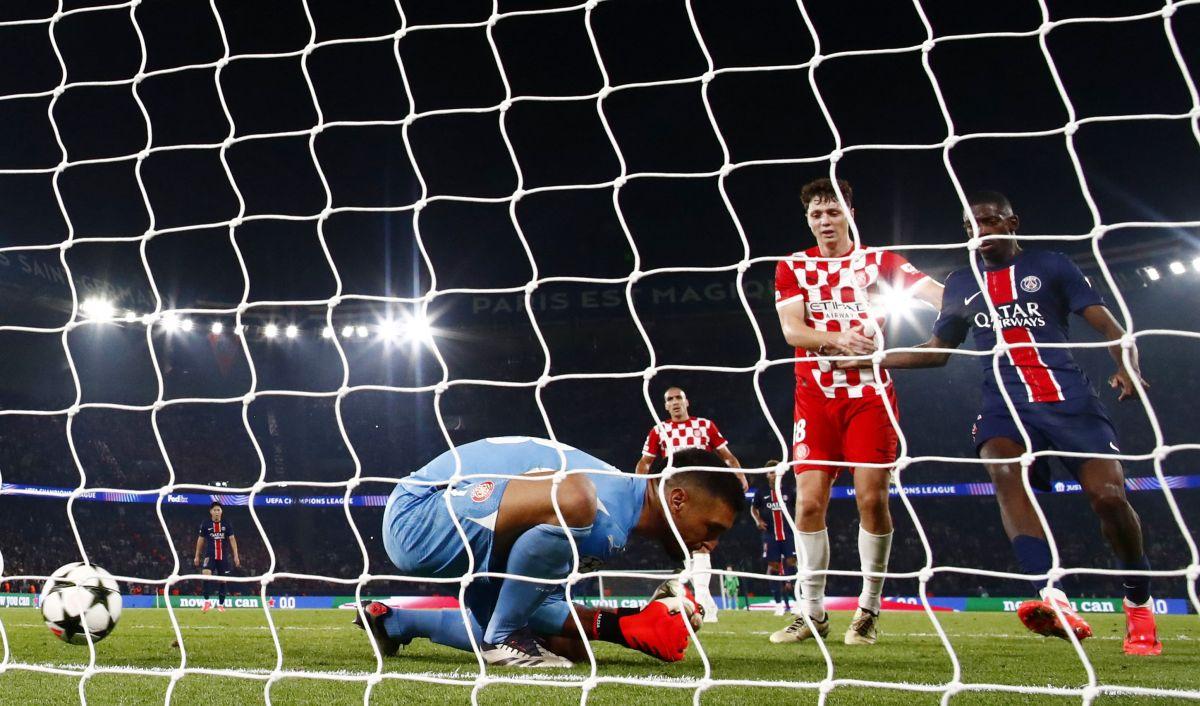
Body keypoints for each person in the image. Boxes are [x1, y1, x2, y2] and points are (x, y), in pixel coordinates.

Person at [842, 191, 1161, 655]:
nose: (981, 232)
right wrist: (875, 359)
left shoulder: (1051, 266)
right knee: (1004, 472)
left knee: (1110, 500)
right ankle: (1052, 597)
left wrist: (1124, 364)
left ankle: (1139, 605)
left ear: (1013, 223)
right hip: (1003, 405)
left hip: (1069, 400)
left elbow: (1110, 327)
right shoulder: (961, 283)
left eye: (990, 222)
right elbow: (937, 351)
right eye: (972, 227)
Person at [356, 437, 744, 668]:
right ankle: (502, 639)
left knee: (566, 648)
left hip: (463, 528)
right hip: (419, 516)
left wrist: (630, 623)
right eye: (712, 529)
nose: (710, 544)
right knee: (574, 497)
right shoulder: (599, 504)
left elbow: (538, 606)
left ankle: (392, 622)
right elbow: (573, 500)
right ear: (677, 499)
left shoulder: (616, 513)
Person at [772, 177, 943, 646]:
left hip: (870, 398)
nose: (824, 221)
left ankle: (868, 609)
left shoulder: (880, 261)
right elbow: (792, 331)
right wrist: (835, 339)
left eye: (832, 212)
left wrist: (955, 328)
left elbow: (940, 296)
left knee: (872, 499)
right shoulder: (792, 266)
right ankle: (812, 614)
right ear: (808, 219)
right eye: (816, 215)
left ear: (849, 212)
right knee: (807, 503)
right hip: (814, 398)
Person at [636, 387, 746, 623]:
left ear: (687, 401)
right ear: (665, 406)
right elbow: (645, 462)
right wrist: (640, 486)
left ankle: (704, 601)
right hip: (676, 495)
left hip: (703, 493)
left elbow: (726, 456)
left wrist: (739, 475)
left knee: (700, 546)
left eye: (678, 398)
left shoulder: (705, 426)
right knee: (688, 549)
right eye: (669, 400)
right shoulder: (659, 430)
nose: (675, 402)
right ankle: (699, 599)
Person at [751, 461, 797, 615]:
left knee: (792, 563)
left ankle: (796, 601)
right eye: (770, 472)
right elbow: (753, 508)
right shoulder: (761, 492)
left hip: (788, 534)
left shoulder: (789, 491)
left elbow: (798, 506)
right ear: (766, 474)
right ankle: (778, 604)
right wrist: (758, 521)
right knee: (773, 567)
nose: (773, 474)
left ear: (781, 473)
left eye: (775, 471)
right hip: (770, 535)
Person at [194, 501, 240, 612]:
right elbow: (200, 540)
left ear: (221, 512)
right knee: (205, 574)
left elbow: (232, 539)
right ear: (211, 512)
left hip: (223, 556)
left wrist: (236, 556)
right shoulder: (206, 523)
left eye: (218, 510)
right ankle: (206, 602)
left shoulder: (226, 523)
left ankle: (220, 604)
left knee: (222, 580)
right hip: (209, 554)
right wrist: (197, 555)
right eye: (214, 510)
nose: (216, 512)